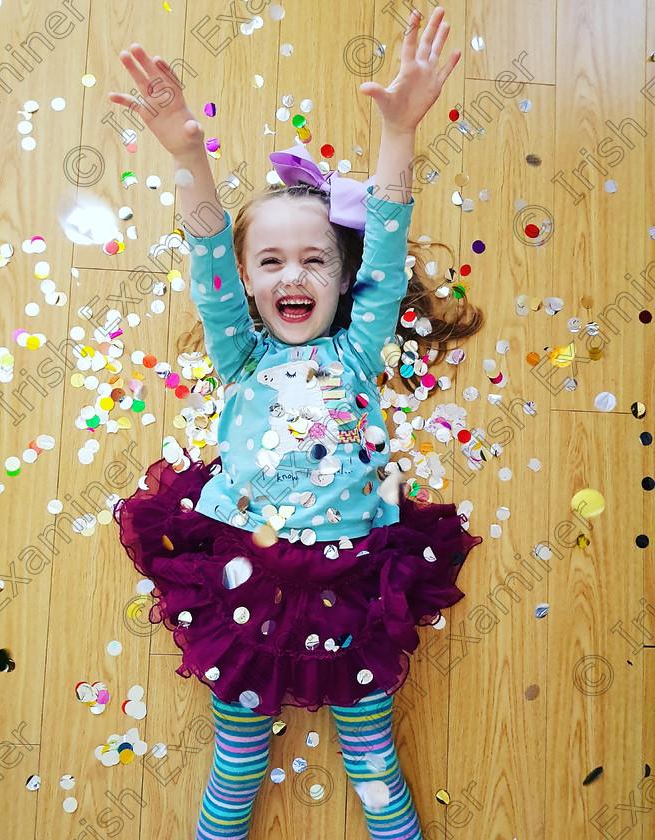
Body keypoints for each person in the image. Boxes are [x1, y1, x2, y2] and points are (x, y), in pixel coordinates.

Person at [109, 8, 483, 840]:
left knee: (374, 763)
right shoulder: (238, 355)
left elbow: (386, 241)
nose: (294, 273)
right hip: (245, 578)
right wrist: (185, 153)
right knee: (236, 766)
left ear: (345, 281)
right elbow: (205, 250)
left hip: (360, 577)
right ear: (243, 281)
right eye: (271, 260)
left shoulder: (358, 351)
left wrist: (398, 135)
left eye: (315, 258)